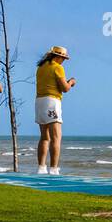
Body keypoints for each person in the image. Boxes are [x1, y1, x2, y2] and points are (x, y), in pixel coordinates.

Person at [34, 46, 75, 176]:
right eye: (63, 58)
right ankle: (54, 168)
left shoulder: (41, 67)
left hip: (39, 101)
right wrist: (71, 82)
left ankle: (41, 167)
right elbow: (65, 88)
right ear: (58, 57)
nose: (63, 61)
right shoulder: (58, 67)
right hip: (52, 102)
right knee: (56, 137)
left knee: (44, 137)